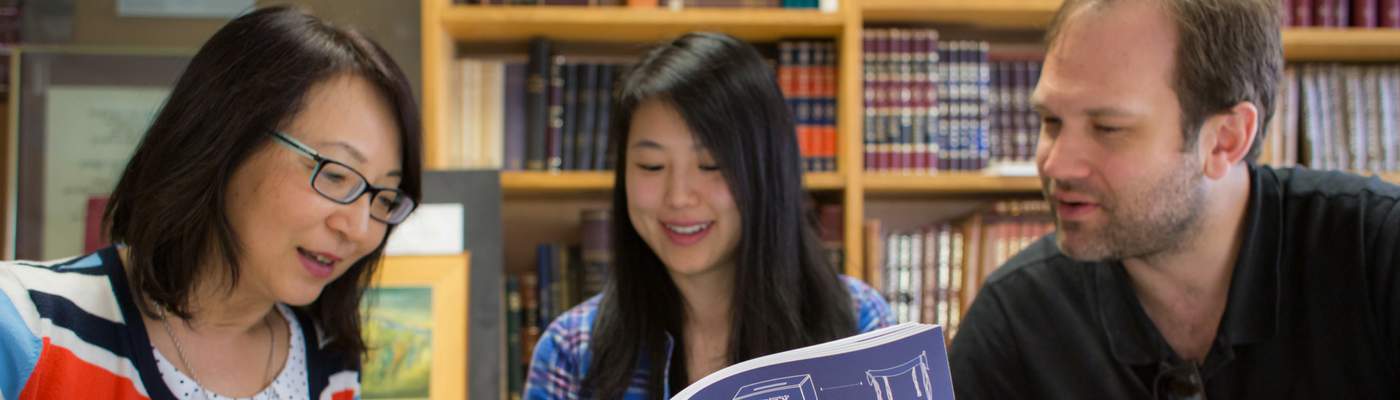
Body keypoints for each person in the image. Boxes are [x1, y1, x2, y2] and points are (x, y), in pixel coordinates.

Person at [949, 0, 1400, 398]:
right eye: (1050, 121)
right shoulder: (1018, 318)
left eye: (1108, 128)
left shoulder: (1376, 254)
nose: (1054, 165)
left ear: (1225, 139)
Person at [0, 6, 421, 399]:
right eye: (334, 174)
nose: (360, 228)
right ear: (226, 141)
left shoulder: (330, 368)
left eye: (383, 197)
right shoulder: (26, 325)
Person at [524, 32, 895, 400]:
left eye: (711, 164)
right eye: (651, 166)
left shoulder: (860, 324)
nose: (680, 196)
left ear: (767, 172)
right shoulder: (571, 351)